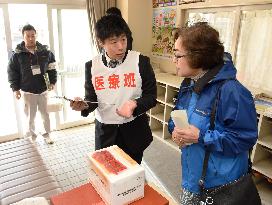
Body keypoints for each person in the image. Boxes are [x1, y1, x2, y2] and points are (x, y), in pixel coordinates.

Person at [168, 22, 258, 204]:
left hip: (221, 187)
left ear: (198, 57)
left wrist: (200, 137)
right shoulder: (189, 83)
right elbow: (177, 116)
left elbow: (244, 138)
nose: (173, 60)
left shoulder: (232, 92)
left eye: (177, 55)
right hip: (193, 178)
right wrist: (175, 131)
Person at [70, 15, 157, 164]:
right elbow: (92, 99)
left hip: (134, 131)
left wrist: (135, 104)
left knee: (132, 175)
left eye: (123, 39)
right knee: (109, 176)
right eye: (114, 42)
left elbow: (151, 96)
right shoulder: (92, 66)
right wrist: (83, 105)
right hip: (106, 133)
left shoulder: (140, 62)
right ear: (101, 42)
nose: (121, 46)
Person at [7, 24, 57, 144]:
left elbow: (52, 69)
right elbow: (12, 72)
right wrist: (15, 89)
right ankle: (33, 136)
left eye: (33, 35)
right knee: (30, 116)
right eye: (27, 36)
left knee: (45, 114)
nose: (30, 38)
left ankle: (47, 135)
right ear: (23, 37)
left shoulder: (46, 52)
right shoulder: (17, 54)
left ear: (36, 35)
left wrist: (52, 82)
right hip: (28, 91)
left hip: (43, 90)